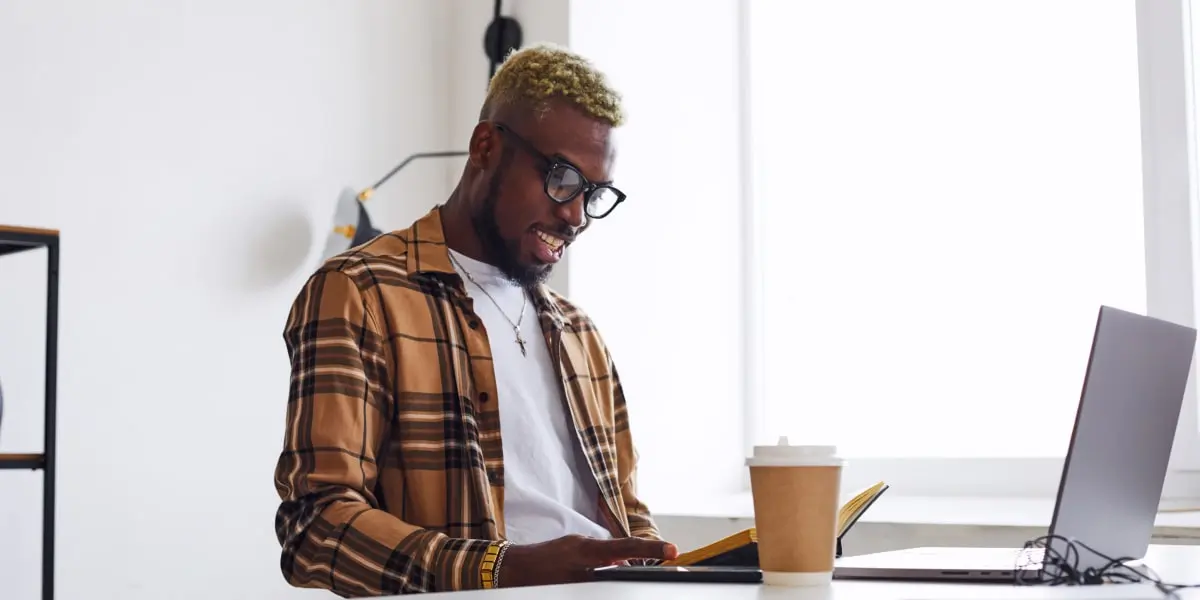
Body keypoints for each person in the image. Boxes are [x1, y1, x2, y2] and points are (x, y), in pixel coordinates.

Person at [273, 43, 677, 597]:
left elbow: (627, 514)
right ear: (486, 146)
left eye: (594, 193)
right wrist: (499, 570)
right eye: (561, 179)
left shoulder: (579, 332)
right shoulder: (360, 292)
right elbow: (314, 525)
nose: (576, 215)